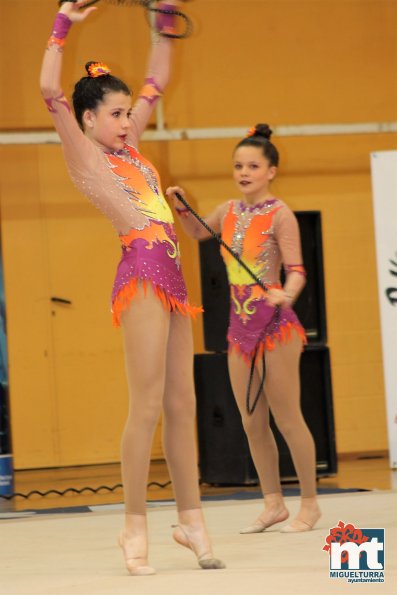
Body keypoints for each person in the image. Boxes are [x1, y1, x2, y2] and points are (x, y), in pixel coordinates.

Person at [40, 0, 225, 575]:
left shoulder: (132, 150)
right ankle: (133, 527)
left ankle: (191, 520)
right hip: (141, 275)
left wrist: (165, 23)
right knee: (145, 406)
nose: (126, 121)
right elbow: (50, 89)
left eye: (127, 113)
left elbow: (156, 80)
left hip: (172, 277)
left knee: (182, 404)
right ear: (89, 119)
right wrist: (63, 25)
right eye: (116, 114)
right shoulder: (87, 155)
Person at [166, 124, 322, 533]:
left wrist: (285, 295)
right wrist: (182, 206)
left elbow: (298, 270)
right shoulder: (228, 210)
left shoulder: (280, 214)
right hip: (239, 329)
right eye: (238, 165)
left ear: (271, 170)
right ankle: (273, 504)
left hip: (275, 326)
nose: (244, 172)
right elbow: (199, 232)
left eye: (253, 165)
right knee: (251, 420)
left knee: (288, 418)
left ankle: (309, 504)